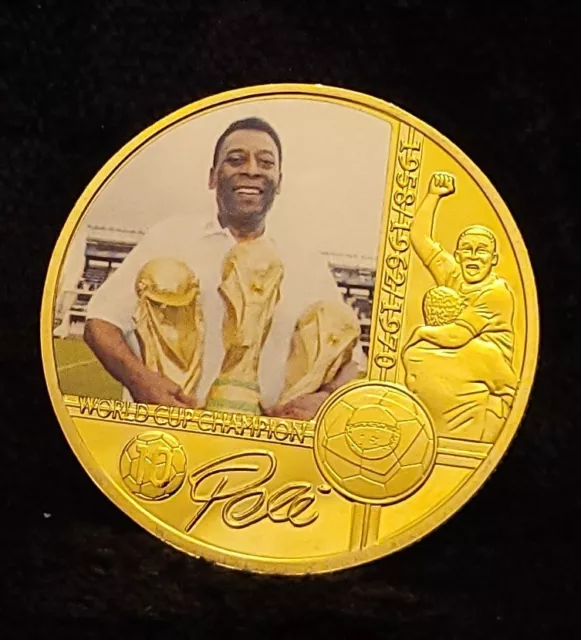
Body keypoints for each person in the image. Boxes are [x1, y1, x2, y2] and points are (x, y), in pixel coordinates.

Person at [84, 117, 363, 420]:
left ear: (279, 181)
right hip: (172, 431)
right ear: (212, 176)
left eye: (266, 163)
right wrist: (140, 381)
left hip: (265, 443)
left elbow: (351, 359)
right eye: (236, 159)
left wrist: (326, 399)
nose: (252, 170)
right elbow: (100, 322)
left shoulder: (307, 263)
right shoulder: (169, 238)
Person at [406, 172, 515, 362]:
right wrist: (433, 195)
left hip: (488, 372)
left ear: (494, 259)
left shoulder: (497, 294)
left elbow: (457, 335)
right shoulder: (453, 275)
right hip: (454, 358)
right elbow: (419, 238)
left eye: (481, 251)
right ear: (458, 255)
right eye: (467, 249)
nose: (473, 256)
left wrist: (421, 332)